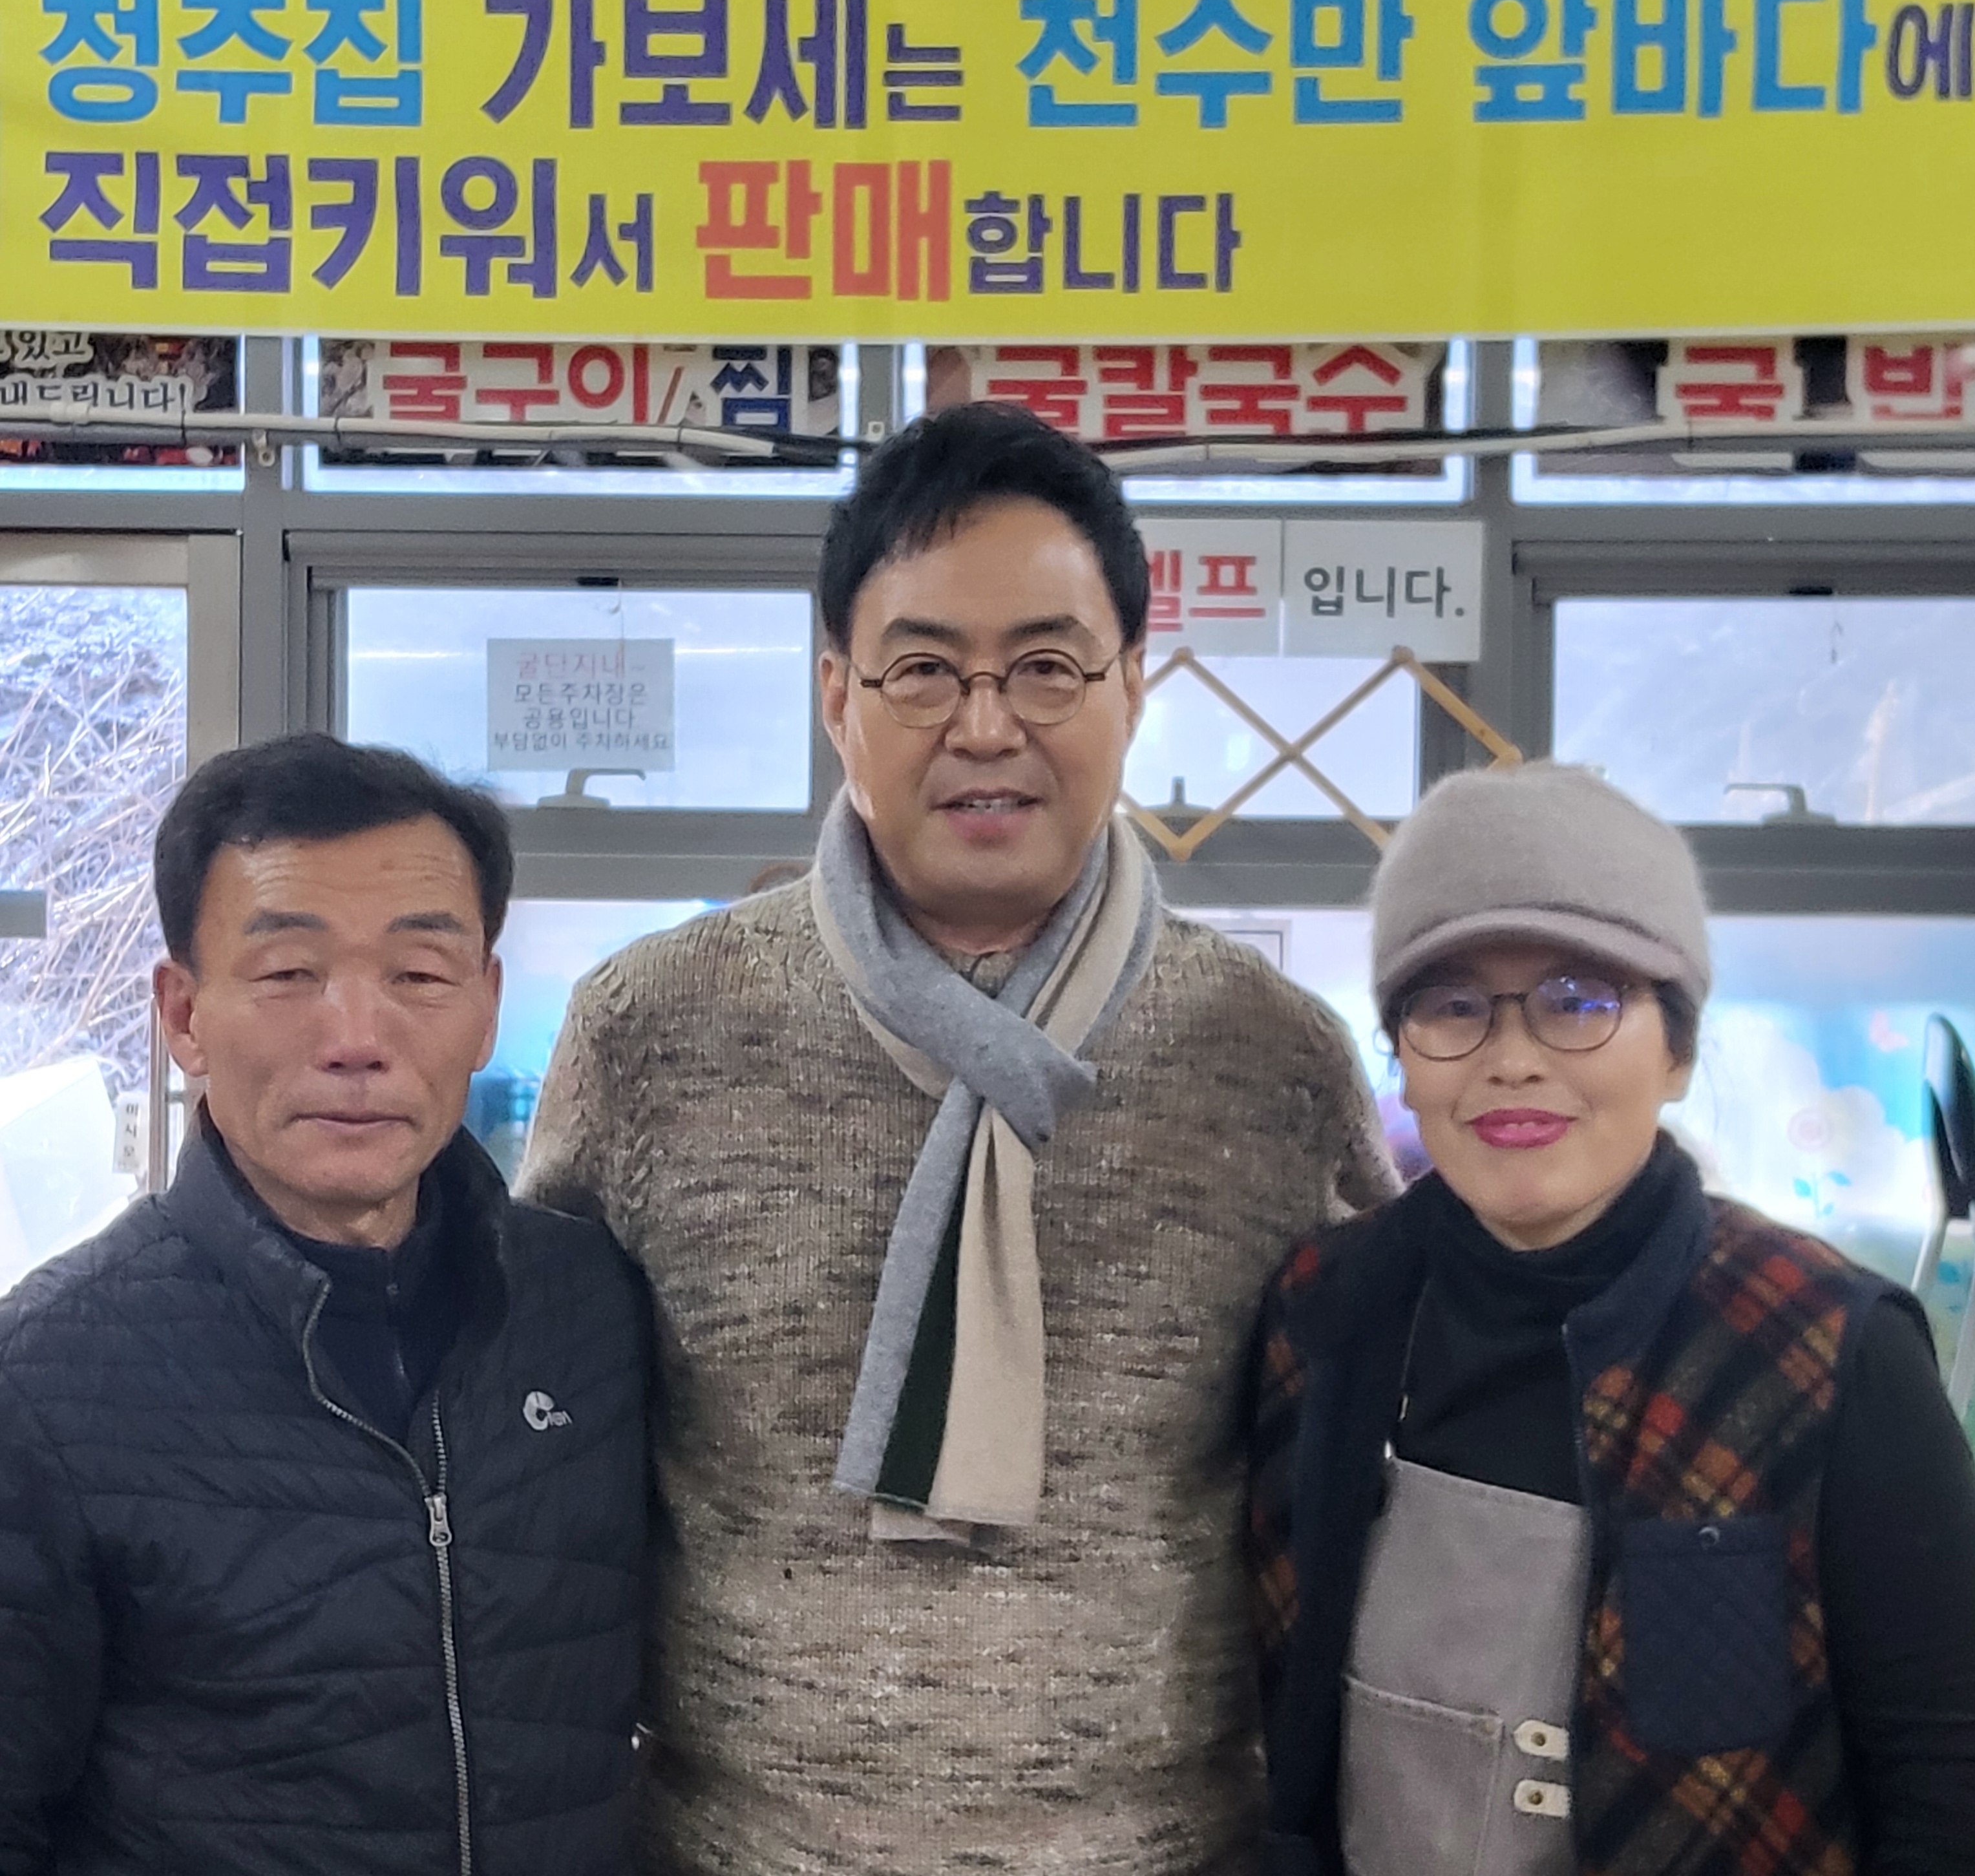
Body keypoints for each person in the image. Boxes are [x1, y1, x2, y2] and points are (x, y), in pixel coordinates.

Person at [522, 401, 1397, 1875]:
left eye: (1047, 667)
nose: (985, 725)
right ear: (836, 694)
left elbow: (1369, 1460)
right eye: (923, 668)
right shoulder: (651, 1027)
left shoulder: (1270, 1056)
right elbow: (535, 1447)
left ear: (1133, 685)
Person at [1249, 761, 1975, 1876]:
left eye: (1579, 1000)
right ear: (1400, 1054)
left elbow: (1947, 1779)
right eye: (1452, 1006)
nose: (1513, 1060)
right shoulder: (1321, 1317)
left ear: (1677, 1050)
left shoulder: (1827, 1350)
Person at [0, 733, 655, 1876]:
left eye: (420, 975)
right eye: (289, 974)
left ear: (486, 1006)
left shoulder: (590, 1307)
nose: (357, 1040)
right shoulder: (48, 1379)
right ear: (183, 1015)